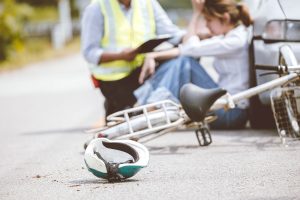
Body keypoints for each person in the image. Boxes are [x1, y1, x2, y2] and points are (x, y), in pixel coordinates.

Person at [134, 0, 253, 129]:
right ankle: (148, 106)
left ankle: (152, 107)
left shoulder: (235, 41)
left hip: (231, 114)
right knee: (177, 63)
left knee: (186, 62)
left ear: (225, 18)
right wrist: (153, 55)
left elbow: (188, 48)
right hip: (224, 108)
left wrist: (196, 13)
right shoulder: (228, 37)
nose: (207, 26)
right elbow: (188, 47)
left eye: (209, 20)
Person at [81, 0, 184, 119]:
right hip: (114, 81)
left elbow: (173, 34)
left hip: (142, 72)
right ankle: (131, 105)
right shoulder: (97, 7)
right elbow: (89, 52)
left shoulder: (148, 3)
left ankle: (153, 104)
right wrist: (120, 56)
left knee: (181, 59)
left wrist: (197, 36)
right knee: (123, 116)